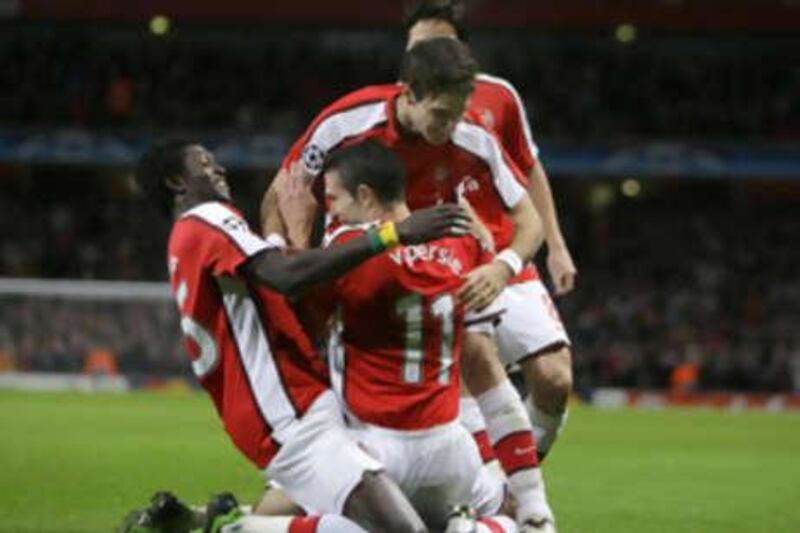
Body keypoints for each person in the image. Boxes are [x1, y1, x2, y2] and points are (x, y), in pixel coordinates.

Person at [261, 39, 555, 530]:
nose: (450, 128)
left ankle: (534, 507)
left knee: (480, 355)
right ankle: (512, 517)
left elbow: (529, 222)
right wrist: (292, 255)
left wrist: (502, 266)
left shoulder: (475, 138)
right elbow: (283, 193)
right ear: (409, 94)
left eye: (460, 114)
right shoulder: (344, 124)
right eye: (441, 114)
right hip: (356, 271)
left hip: (429, 269)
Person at [135, 139, 473, 533]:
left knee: (403, 517)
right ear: (177, 181)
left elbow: (272, 281)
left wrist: (285, 237)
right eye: (205, 164)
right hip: (287, 414)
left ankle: (221, 520)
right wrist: (391, 234)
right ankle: (231, 528)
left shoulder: (186, 238)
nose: (219, 169)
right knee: (402, 531)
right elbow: (283, 276)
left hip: (285, 409)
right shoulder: (208, 218)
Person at [403, 0, 576, 460]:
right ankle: (502, 498)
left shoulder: (499, 97)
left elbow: (529, 170)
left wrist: (555, 246)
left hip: (506, 254)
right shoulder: (401, 105)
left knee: (555, 377)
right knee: (467, 394)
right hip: (441, 269)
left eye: (439, 44)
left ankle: (513, 478)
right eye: (417, 46)